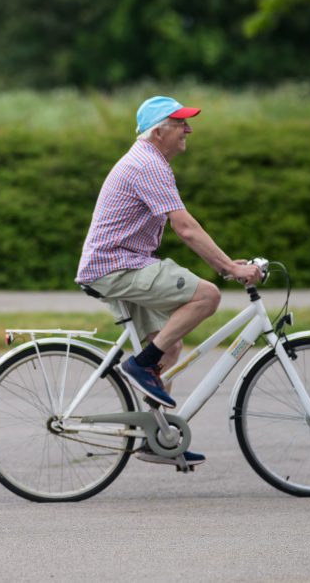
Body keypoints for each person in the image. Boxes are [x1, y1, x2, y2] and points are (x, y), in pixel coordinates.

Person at [75, 96, 262, 467]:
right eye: (180, 123)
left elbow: (184, 228)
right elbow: (186, 228)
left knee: (170, 346)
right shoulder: (149, 164)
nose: (188, 129)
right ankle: (140, 366)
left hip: (119, 264)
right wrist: (229, 269)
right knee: (207, 296)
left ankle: (156, 437)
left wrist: (227, 262)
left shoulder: (147, 160)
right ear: (158, 131)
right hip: (118, 266)